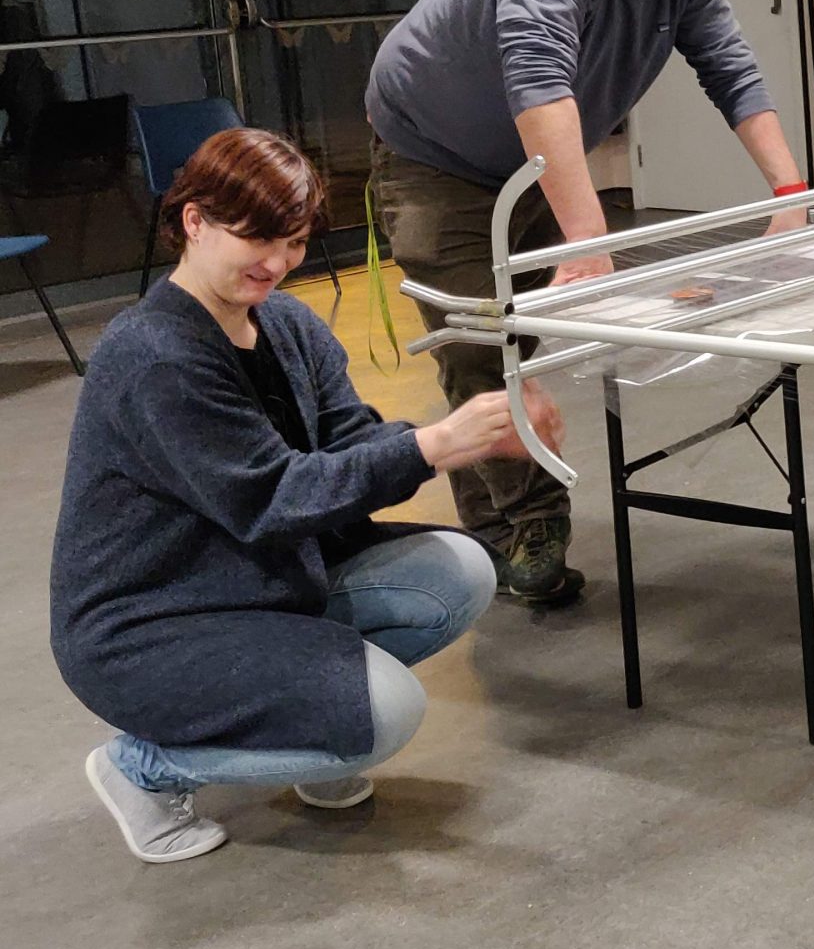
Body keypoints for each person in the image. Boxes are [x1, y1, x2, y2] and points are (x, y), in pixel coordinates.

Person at [52, 128, 555, 864]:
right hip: (150, 625)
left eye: (291, 243)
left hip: (264, 580)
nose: (277, 263)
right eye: (257, 239)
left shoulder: (283, 322)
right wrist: (440, 444)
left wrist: (461, 437)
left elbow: (349, 440)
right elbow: (273, 499)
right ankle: (145, 770)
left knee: (458, 572)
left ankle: (309, 732)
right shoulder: (154, 356)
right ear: (193, 221)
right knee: (386, 715)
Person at [367, 0, 806, 604]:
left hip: (533, 160)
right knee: (481, 345)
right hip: (436, 157)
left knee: (522, 343)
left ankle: (493, 528)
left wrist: (789, 191)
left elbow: (729, 65)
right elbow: (541, 92)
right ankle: (531, 525)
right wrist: (587, 238)